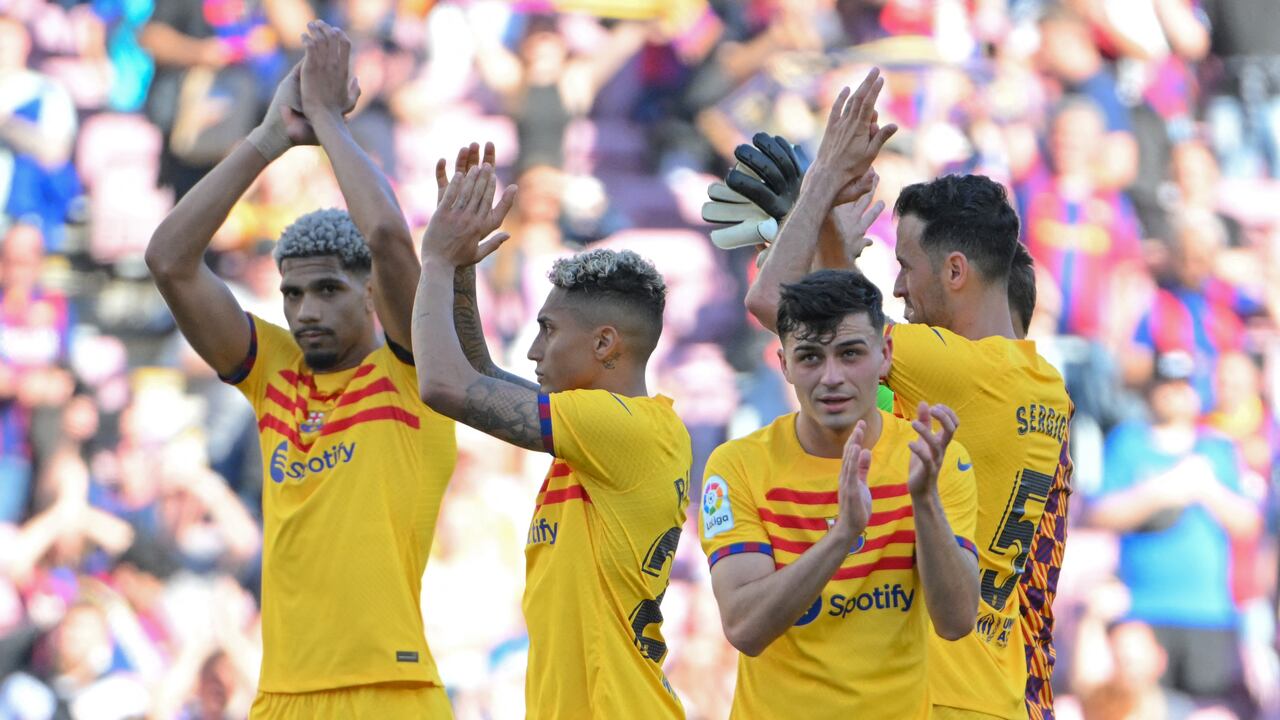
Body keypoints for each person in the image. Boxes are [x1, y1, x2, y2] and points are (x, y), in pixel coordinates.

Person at [145, 21, 457, 718]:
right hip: (281, 695)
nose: (304, 310)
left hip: (391, 693)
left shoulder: (415, 371)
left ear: (371, 294)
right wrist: (269, 136)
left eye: (327, 291)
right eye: (291, 293)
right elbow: (168, 259)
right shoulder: (275, 374)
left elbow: (385, 238)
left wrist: (327, 123)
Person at [744, 69, 1074, 720]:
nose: (896, 291)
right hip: (992, 692)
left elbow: (773, 302)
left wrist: (820, 185)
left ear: (956, 272)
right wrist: (835, 237)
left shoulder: (962, 371)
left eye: (905, 269)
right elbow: (857, 346)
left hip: (937, 696)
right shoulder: (1041, 386)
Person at [412, 160, 691, 718]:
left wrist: (437, 262)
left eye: (549, 330)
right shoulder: (599, 435)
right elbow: (478, 369)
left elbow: (444, 384)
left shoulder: (621, 427)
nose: (535, 351)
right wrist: (465, 269)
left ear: (606, 343)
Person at [699, 269, 978, 718]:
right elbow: (745, 627)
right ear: (784, 363)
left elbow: (957, 620)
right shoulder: (737, 466)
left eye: (850, 354)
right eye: (810, 357)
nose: (831, 377)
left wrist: (924, 503)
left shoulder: (931, 457)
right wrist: (842, 536)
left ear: (884, 353)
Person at [1089, 351, 1261, 716]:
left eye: (1182, 386)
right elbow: (1099, 512)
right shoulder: (1129, 441)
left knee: (1211, 709)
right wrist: (1157, 493)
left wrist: (1205, 487)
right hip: (1144, 611)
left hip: (1209, 613)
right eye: (1166, 385)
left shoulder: (1217, 447)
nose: (1173, 394)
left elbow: (1248, 522)